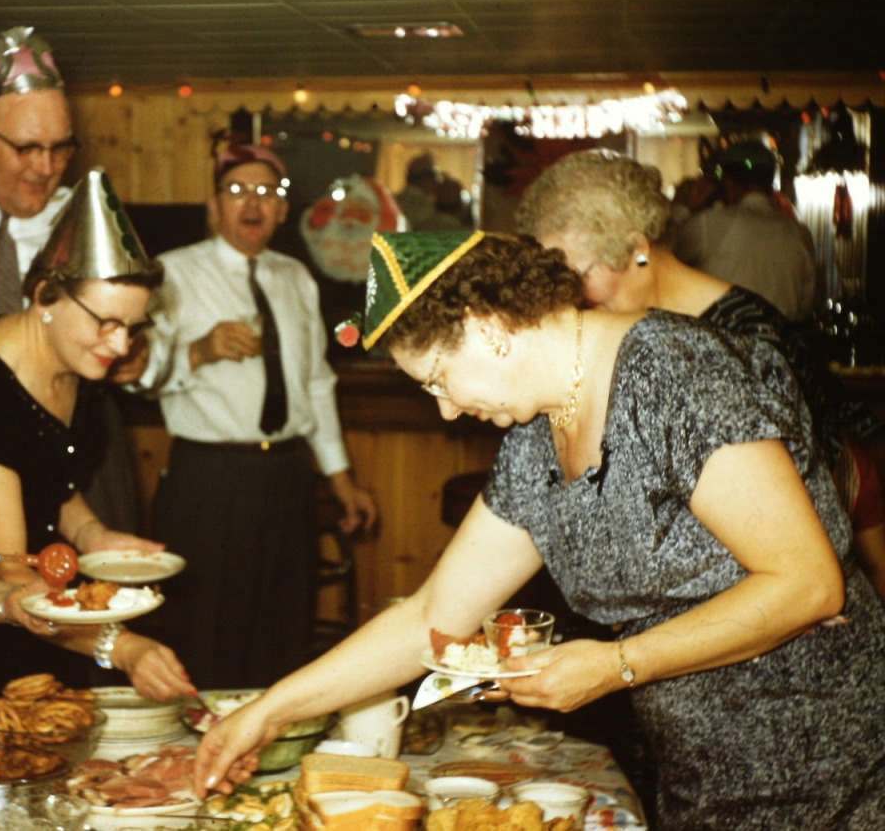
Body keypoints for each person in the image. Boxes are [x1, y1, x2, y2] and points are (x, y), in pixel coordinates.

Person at [194, 230, 885, 827]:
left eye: (438, 379)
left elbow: (807, 583)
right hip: (701, 758)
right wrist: (268, 710)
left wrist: (617, 664)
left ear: (487, 325)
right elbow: (433, 616)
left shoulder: (674, 371)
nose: (445, 411)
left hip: (822, 750)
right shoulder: (535, 435)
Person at [516, 148, 884, 586]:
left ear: (636, 249)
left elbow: (799, 501)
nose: (568, 294)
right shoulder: (615, 333)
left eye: (578, 273)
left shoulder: (746, 334)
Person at [0, 168, 196, 700]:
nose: (118, 346)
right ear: (45, 296)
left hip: (53, 622)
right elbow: (9, 571)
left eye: (132, 328)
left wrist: (94, 537)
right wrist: (119, 644)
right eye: (106, 323)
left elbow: (51, 479)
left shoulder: (77, 362)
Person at [120, 143, 376, 688]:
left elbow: (316, 384)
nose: (252, 204)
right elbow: (138, 371)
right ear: (214, 206)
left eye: (266, 192)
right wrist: (200, 350)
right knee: (204, 631)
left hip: (286, 477)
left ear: (284, 210)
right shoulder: (173, 274)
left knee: (283, 630)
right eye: (237, 191)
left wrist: (342, 480)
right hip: (208, 480)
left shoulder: (296, 278)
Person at [0, 25, 140, 535]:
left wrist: (142, 356)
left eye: (61, 148)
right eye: (27, 148)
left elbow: (154, 328)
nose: (47, 168)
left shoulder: (84, 216)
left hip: (71, 447)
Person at [674, 140, 819, 320]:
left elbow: (666, 260)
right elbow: (807, 303)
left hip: (721, 341)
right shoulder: (799, 233)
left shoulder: (708, 224)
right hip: (780, 344)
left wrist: (685, 209)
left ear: (729, 182)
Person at [395, 152, 439, 228]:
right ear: (424, 178)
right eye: (433, 176)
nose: (436, 182)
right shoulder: (422, 204)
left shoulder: (394, 200)